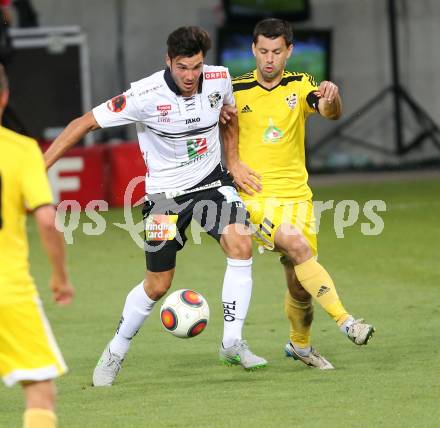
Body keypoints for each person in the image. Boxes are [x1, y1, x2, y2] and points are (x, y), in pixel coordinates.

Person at [44, 26, 267, 387]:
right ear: (168, 61)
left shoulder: (219, 79)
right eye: (182, 67)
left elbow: (230, 115)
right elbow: (83, 123)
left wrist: (235, 160)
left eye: (196, 66)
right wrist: (40, 170)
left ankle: (232, 342)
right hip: (164, 196)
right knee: (158, 283)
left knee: (241, 242)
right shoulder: (144, 94)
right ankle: (115, 350)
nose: (191, 76)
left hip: (211, 183)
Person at [223, 18, 375, 370]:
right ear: (253, 50)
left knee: (300, 287)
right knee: (297, 245)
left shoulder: (301, 84)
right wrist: (231, 166)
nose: (269, 59)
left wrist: (332, 100)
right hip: (255, 198)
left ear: (289, 51)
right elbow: (216, 130)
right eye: (263, 51)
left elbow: (327, 112)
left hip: (298, 198)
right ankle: (347, 321)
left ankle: (300, 345)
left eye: (277, 51)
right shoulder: (235, 90)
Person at [0, 64, 74, 428]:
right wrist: (60, 278)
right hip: (8, 291)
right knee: (39, 389)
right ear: (5, 97)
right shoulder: (21, 150)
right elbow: (47, 219)